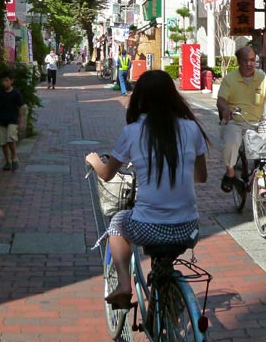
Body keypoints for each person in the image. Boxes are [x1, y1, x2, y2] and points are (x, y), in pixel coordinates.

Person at [85, 70, 209, 309]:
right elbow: (201, 177)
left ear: (140, 99)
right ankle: (167, 295)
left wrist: (93, 160)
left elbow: (107, 173)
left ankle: (123, 285)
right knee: (165, 256)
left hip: (147, 228)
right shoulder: (191, 128)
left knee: (118, 222)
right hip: (188, 228)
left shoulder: (132, 131)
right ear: (173, 97)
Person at [215, 46, 266, 194]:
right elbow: (221, 99)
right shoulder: (230, 79)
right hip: (236, 120)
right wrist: (225, 109)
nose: (249, 63)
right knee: (231, 141)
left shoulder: (262, 78)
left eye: (252, 60)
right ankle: (230, 172)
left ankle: (262, 183)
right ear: (239, 61)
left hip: (258, 121)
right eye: (245, 60)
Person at [0, 70, 26, 171]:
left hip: (12, 120)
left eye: (6, 80)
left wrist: (21, 121)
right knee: (3, 142)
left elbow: (20, 108)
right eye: (2, 81)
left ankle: (14, 156)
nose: (4, 83)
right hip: (1, 120)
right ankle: (7, 161)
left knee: (11, 139)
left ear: (11, 81)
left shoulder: (16, 93)